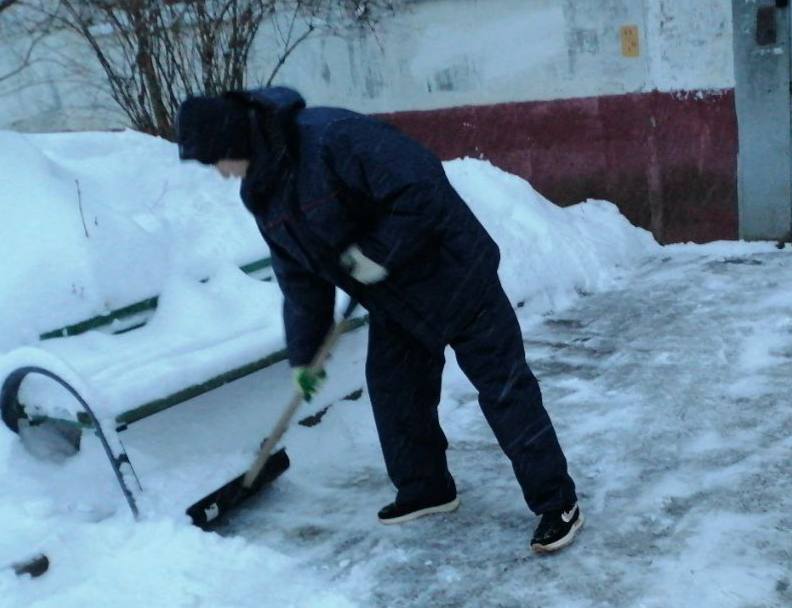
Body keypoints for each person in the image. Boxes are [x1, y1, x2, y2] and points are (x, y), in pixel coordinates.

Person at [175, 87, 582, 554]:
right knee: (395, 392)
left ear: (233, 139)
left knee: (504, 391)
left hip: (457, 275)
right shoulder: (263, 194)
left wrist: (377, 252)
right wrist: (306, 356)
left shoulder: (330, 136)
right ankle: (426, 488)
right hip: (396, 300)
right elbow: (300, 281)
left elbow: (422, 185)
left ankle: (557, 502)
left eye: (216, 159)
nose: (220, 172)